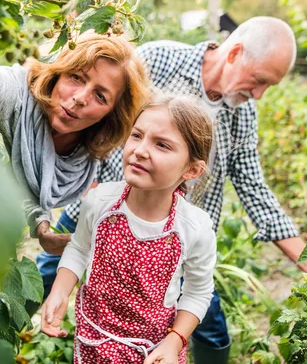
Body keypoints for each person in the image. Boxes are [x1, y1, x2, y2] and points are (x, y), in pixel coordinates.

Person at [38, 16, 307, 363]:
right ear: (235, 53)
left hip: (175, 242)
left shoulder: (242, 114)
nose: (259, 94)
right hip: (101, 208)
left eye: (268, 88)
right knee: (44, 278)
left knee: (209, 328)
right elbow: (101, 115)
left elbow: (252, 185)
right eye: (260, 80)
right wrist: (91, 185)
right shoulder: (158, 60)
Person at [40, 94, 217, 364]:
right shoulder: (100, 202)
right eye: (137, 135)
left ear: (191, 169)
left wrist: (174, 342)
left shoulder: (194, 227)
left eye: (162, 145)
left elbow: (197, 292)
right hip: (94, 340)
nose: (141, 150)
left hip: (153, 351)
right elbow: (79, 248)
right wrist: (60, 291)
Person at [0, 34, 149, 253]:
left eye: (100, 96)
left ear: (112, 113)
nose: (81, 98)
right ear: (58, 72)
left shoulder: (83, 151)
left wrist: (43, 230)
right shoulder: (16, 94)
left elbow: (32, 170)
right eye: (76, 77)